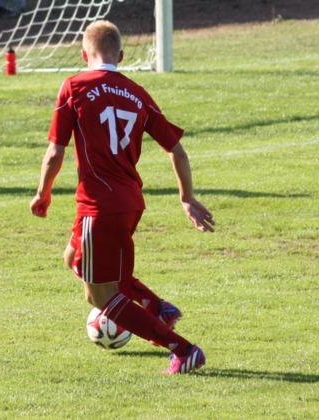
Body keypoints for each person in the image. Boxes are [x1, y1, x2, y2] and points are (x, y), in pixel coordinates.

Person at [30, 20, 215, 374]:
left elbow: (55, 152)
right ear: (122, 55)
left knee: (100, 296)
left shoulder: (74, 86)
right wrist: (186, 198)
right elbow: (177, 151)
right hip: (129, 202)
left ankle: (183, 349)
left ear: (84, 54)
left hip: (99, 206)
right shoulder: (137, 93)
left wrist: (43, 193)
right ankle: (155, 306)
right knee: (72, 257)